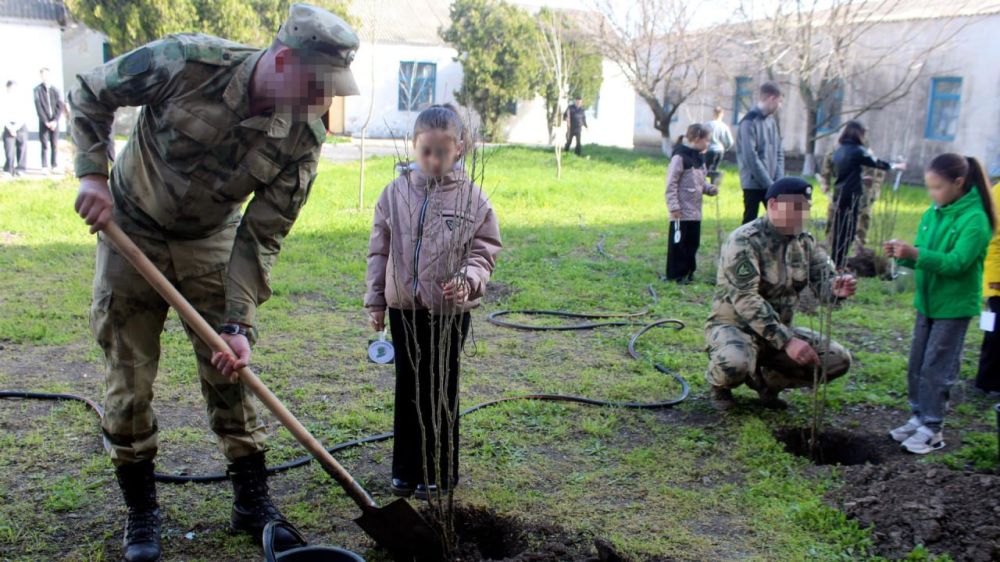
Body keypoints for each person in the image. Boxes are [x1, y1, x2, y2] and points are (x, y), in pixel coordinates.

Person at [69, 5, 360, 560]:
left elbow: (263, 234)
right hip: (129, 224)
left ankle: (252, 500)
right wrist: (91, 174)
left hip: (211, 238)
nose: (322, 101)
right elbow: (91, 91)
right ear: (280, 61)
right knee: (128, 380)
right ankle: (142, 510)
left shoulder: (303, 134)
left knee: (231, 369)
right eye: (315, 85)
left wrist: (237, 323)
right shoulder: (187, 61)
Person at [365, 104, 502, 500]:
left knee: (440, 388)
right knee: (408, 387)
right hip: (403, 309)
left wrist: (468, 280)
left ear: (459, 148)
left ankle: (440, 471)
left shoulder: (473, 199)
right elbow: (379, 250)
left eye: (442, 152)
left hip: (448, 313)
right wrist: (376, 301)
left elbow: (484, 250)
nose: (433, 160)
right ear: (414, 146)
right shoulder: (394, 193)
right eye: (426, 151)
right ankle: (406, 470)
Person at [706, 177, 857, 411]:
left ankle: (767, 384)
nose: (803, 214)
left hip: (781, 332)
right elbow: (746, 299)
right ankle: (721, 386)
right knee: (734, 364)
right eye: (796, 207)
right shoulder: (745, 241)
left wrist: (836, 288)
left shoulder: (804, 243)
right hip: (737, 328)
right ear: (774, 205)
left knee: (837, 360)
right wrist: (786, 341)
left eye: (805, 207)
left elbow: (824, 279)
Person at [885, 154, 996, 454]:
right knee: (917, 363)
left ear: (958, 183)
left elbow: (958, 263)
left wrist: (917, 254)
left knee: (937, 368)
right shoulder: (934, 212)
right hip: (928, 302)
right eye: (929, 188)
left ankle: (933, 427)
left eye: (937, 187)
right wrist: (904, 253)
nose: (931, 194)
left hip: (954, 306)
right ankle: (918, 416)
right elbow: (925, 253)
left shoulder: (976, 219)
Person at [825, 120, 906, 269]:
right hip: (852, 196)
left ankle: (835, 261)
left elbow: (842, 172)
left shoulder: (838, 150)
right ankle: (839, 263)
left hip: (839, 193)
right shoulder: (858, 150)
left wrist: (859, 177)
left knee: (839, 229)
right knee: (848, 232)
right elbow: (877, 163)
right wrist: (896, 166)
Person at [665, 123, 718, 283]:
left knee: (692, 244)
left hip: (695, 212)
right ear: (696, 138)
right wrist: (674, 206)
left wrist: (709, 189)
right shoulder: (680, 157)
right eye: (706, 140)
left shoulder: (700, 159)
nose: (708, 144)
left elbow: (701, 181)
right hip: (681, 212)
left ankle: (689, 272)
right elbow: (671, 183)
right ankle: (676, 274)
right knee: (678, 244)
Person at [736, 81, 785, 225]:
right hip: (753, 183)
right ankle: (743, 248)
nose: (779, 106)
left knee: (780, 221)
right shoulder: (749, 122)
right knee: (749, 223)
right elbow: (751, 157)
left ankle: (771, 248)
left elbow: (778, 152)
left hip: (772, 182)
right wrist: (769, 183)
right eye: (779, 101)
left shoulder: (771, 121)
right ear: (772, 99)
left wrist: (778, 181)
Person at [975, 180, 1000, 396]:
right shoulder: (998, 193)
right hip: (997, 278)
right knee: (994, 331)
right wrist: (995, 279)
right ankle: (987, 382)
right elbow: (994, 242)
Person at [33, 67, 66, 174]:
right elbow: (38, 107)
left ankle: (54, 165)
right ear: (41, 76)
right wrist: (45, 121)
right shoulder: (37, 90)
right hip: (44, 122)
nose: (45, 77)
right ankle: (44, 166)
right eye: (43, 75)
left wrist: (55, 120)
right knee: (44, 144)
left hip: (55, 122)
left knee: (54, 144)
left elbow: (60, 105)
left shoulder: (56, 90)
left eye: (46, 74)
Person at [2, 80, 29, 177]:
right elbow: (2, 115)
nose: (12, 90)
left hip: (20, 126)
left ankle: (21, 169)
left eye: (14, 88)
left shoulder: (21, 99)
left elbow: (24, 114)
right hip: (8, 126)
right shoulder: (3, 99)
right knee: (9, 149)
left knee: (22, 148)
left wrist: (16, 127)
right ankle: (9, 169)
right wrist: (10, 127)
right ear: (7, 88)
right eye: (10, 88)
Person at [704, 106, 734, 180]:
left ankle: (702, 186)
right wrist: (724, 148)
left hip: (709, 150)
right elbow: (730, 142)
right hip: (720, 150)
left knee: (704, 170)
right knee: (714, 170)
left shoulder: (707, 124)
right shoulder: (724, 126)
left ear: (713, 114)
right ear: (722, 115)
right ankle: (713, 187)